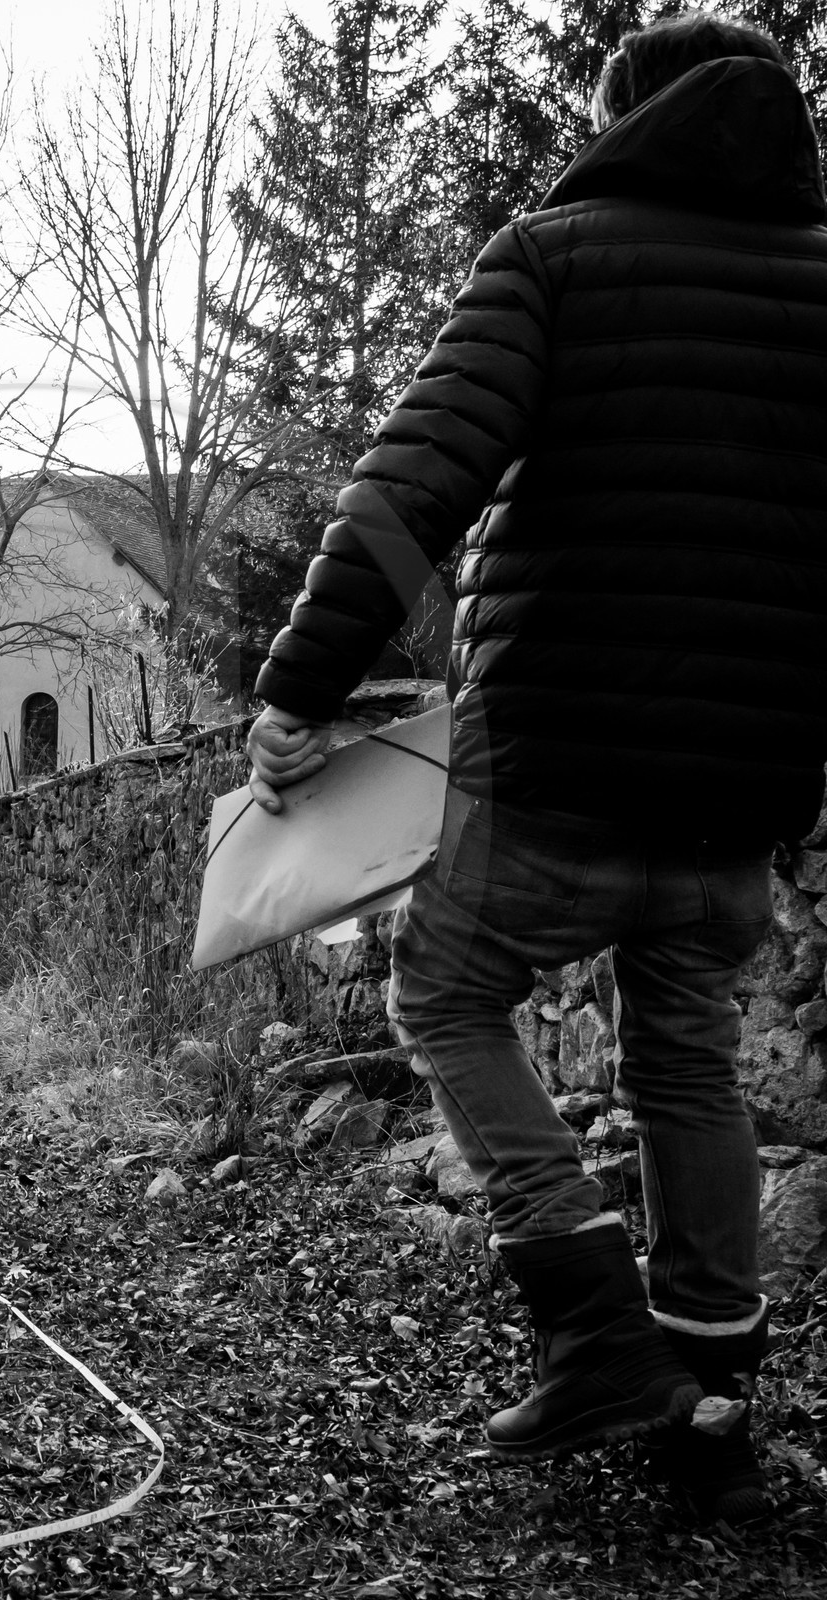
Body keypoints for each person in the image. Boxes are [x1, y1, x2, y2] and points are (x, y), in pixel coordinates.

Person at [248, 12, 827, 1523]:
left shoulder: (556, 254)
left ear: (629, 115)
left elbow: (412, 486)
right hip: (738, 801)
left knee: (440, 990)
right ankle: (709, 1404)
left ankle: (593, 1327)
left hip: (558, 764)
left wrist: (302, 687)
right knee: (689, 1060)